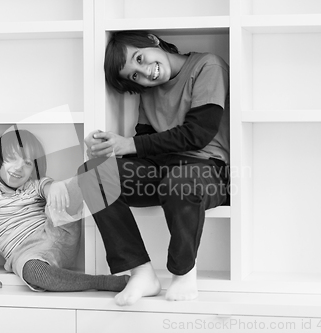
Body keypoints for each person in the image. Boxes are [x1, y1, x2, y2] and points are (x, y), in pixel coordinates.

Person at [79, 30, 230, 305]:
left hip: (207, 169)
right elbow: (145, 146)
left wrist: (130, 146)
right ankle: (141, 272)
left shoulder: (208, 65)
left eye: (140, 58)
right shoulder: (148, 93)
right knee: (93, 174)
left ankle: (183, 272)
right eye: (134, 75)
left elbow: (198, 133)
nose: (145, 72)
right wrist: (107, 149)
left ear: (152, 40)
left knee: (180, 181)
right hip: (161, 170)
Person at [0, 129, 128, 292]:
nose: (19, 168)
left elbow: (47, 187)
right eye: (11, 159)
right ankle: (100, 282)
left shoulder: (33, 184)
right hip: (26, 254)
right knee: (34, 273)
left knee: (67, 189)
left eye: (28, 163)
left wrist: (55, 187)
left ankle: (106, 166)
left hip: (57, 232)